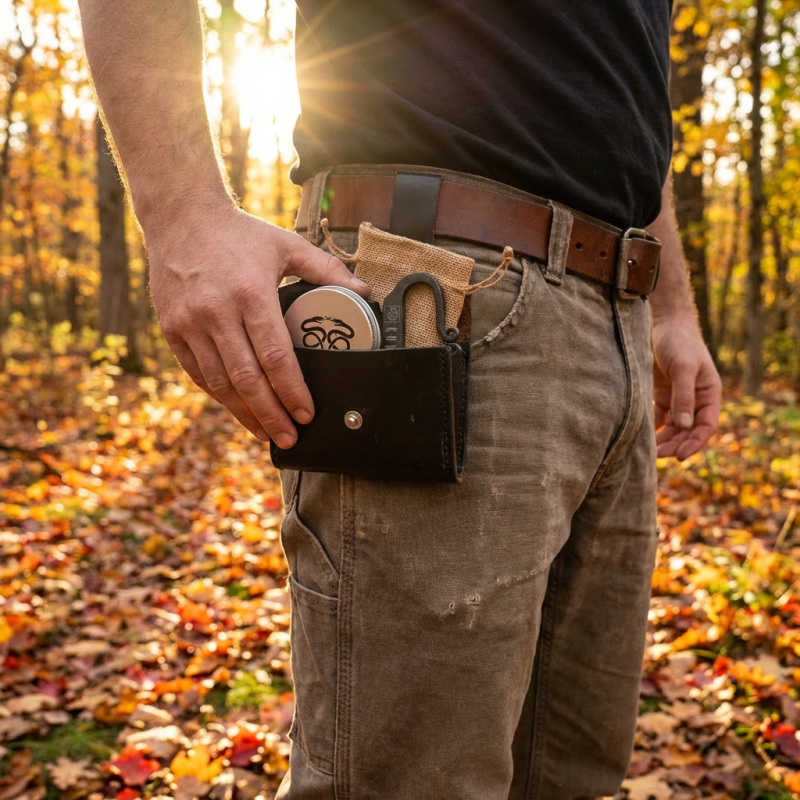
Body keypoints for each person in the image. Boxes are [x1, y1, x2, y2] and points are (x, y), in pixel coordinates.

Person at [77, 2, 722, 798]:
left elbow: (628, 84)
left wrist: (671, 309)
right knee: (410, 780)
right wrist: (182, 215)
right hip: (436, 283)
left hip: (618, 315)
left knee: (574, 773)